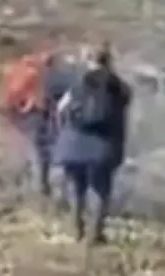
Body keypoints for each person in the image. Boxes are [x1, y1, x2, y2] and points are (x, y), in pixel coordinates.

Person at [53, 43, 132, 243]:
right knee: (100, 189)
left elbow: (60, 110)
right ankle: (94, 235)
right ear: (109, 60)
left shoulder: (78, 83)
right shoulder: (120, 88)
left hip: (74, 143)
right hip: (104, 146)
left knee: (76, 187)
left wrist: (64, 134)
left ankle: (76, 231)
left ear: (88, 60)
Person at [3, 47, 76, 199]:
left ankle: (31, 183)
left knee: (36, 152)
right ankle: (48, 187)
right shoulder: (53, 77)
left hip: (25, 117)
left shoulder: (22, 72)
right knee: (49, 152)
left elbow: (12, 96)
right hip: (44, 117)